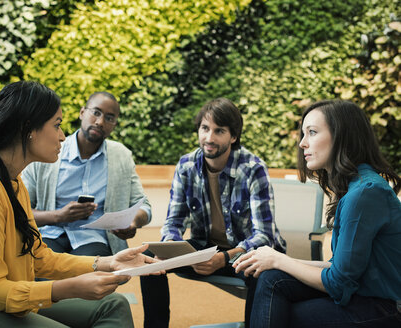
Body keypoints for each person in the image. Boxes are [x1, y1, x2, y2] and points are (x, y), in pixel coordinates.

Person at [0, 81, 157, 327]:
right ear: (28, 129)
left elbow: (37, 255)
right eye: (57, 125)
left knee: (114, 305)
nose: (63, 136)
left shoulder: (13, 182)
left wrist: (108, 262)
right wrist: (67, 288)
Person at [233, 100, 401, 327]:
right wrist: (275, 261)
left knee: (278, 311)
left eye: (312, 132)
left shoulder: (364, 193)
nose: (302, 144)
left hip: (384, 307)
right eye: (303, 134)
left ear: (342, 136)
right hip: (362, 295)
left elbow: (339, 283)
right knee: (270, 277)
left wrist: (278, 259)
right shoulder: (356, 187)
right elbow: (337, 267)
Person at [140, 97, 286, 328]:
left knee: (260, 273)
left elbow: (264, 235)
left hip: (245, 252)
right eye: (205, 128)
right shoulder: (186, 166)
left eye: (219, 131)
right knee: (149, 256)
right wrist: (172, 247)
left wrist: (224, 258)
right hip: (206, 248)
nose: (209, 138)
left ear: (233, 136)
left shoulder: (253, 169)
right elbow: (174, 221)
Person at [21, 91, 151, 257]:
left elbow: (144, 207)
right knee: (43, 265)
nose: (100, 122)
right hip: (50, 234)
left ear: (114, 125)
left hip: (94, 239)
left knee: (91, 271)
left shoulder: (121, 156)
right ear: (82, 113)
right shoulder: (48, 152)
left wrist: (133, 222)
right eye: (95, 113)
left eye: (109, 118)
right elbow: (20, 210)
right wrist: (58, 216)